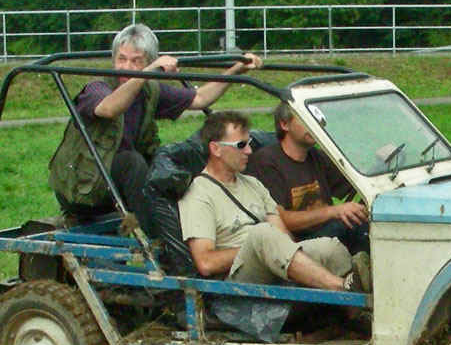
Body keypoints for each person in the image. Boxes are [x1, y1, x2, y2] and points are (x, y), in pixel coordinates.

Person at [48, 23, 262, 229]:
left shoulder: (149, 90)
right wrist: (147, 73)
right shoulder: (97, 88)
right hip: (83, 189)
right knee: (131, 161)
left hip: (118, 186)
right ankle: (156, 238)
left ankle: (204, 221)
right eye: (121, 59)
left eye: (136, 61)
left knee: (177, 158)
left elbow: (200, 98)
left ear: (148, 62)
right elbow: (108, 109)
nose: (127, 68)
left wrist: (236, 69)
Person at [178, 111, 371, 297]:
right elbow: (205, 263)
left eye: (250, 144)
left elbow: (282, 235)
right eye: (241, 145)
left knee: (329, 247)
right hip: (234, 279)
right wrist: (260, 250)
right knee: (262, 234)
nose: (249, 151)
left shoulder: (253, 184)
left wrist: (276, 249)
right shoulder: (199, 194)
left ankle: (359, 313)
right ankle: (342, 288)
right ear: (216, 149)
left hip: (271, 260)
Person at [245, 102, 369, 254]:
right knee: (350, 226)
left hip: (329, 234)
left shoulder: (316, 156)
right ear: (284, 124)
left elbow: (357, 186)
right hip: (295, 247)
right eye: (306, 119)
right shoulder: (266, 162)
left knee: (367, 224)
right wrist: (334, 211)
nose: (314, 125)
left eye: (316, 120)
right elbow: (281, 220)